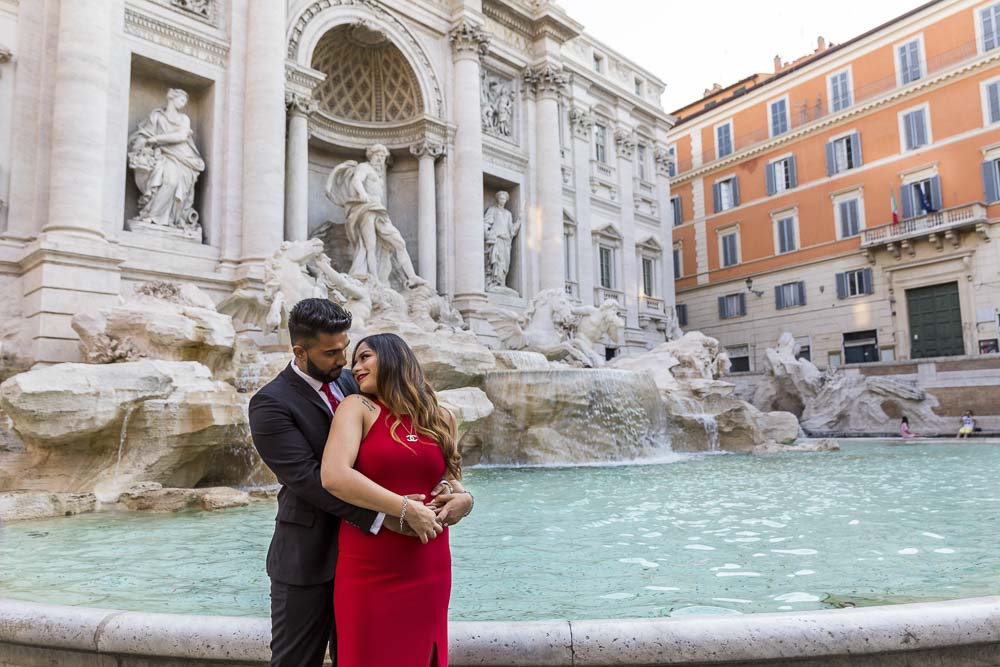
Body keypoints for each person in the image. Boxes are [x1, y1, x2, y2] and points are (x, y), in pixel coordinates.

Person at [248, 299, 469, 666]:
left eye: (347, 350)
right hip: (310, 556)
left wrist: (461, 497)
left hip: (382, 555)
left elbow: (415, 446)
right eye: (332, 353)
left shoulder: (357, 382)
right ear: (300, 352)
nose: (345, 361)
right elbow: (309, 480)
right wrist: (391, 515)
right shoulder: (270, 403)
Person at [321, 333, 472, 666]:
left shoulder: (440, 416)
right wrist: (403, 508)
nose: (356, 368)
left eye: (365, 357)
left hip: (428, 562)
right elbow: (334, 475)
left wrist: (465, 500)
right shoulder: (357, 407)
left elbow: (449, 479)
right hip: (369, 562)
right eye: (354, 361)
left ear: (393, 359)